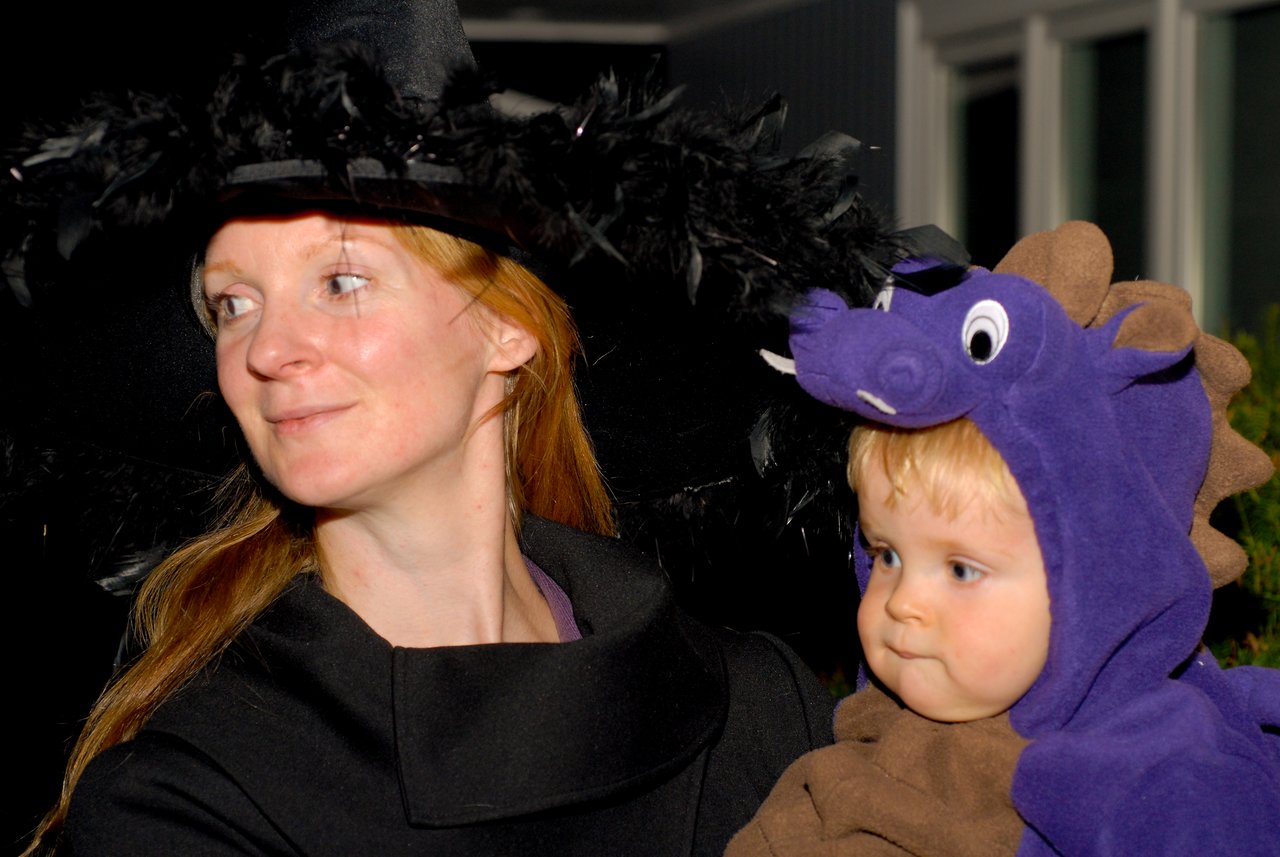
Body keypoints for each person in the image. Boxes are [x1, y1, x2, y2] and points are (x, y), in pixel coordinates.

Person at [4, 1, 901, 854]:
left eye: (341, 283)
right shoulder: (193, 792)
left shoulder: (757, 706)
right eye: (233, 303)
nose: (265, 350)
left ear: (506, 328)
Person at [729, 220, 1280, 856]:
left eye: (961, 569)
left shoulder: (1150, 776)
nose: (902, 601)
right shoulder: (878, 725)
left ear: (1095, 587)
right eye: (886, 554)